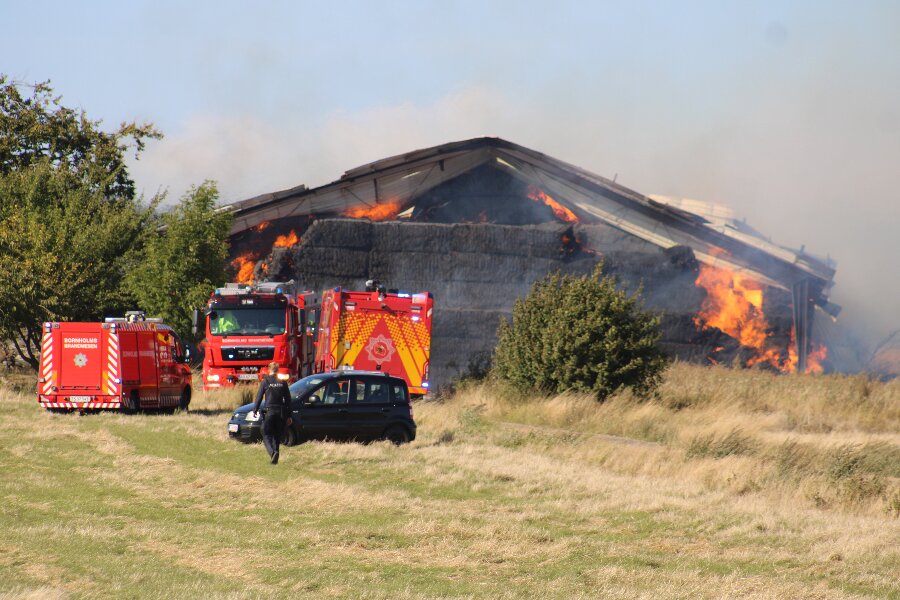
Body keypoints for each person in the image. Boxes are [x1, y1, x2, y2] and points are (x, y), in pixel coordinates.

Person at [252, 362, 293, 464]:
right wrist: (289, 415)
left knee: (266, 433)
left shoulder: (265, 382)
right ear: (277, 370)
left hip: (270, 411)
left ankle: (272, 452)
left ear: (269, 370)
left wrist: (255, 410)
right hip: (281, 412)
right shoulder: (283, 382)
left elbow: (259, 397)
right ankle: (276, 456)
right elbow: (288, 400)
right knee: (277, 435)